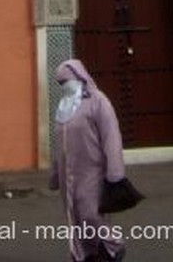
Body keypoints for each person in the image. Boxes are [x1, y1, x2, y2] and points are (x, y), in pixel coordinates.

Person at [49, 59, 126, 262]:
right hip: (68, 175)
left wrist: (115, 173)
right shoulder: (64, 106)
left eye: (67, 80)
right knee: (73, 216)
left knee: (90, 214)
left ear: (79, 77)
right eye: (60, 82)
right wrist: (55, 175)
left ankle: (114, 245)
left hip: (92, 171)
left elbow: (112, 137)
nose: (65, 85)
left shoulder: (98, 101)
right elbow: (58, 144)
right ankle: (83, 253)